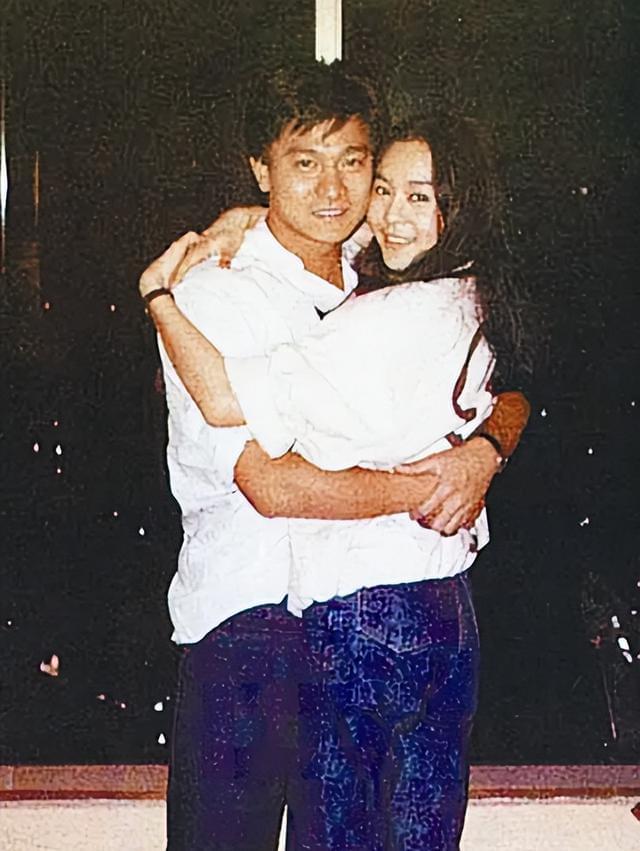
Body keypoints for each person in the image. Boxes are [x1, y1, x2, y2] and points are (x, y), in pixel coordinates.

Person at [141, 61, 529, 851]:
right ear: (261, 167)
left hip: (357, 622)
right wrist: (430, 486)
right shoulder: (214, 293)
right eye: (303, 162)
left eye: (352, 162)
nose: (332, 188)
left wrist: (485, 453)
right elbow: (272, 485)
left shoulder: (382, 262)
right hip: (248, 625)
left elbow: (515, 383)